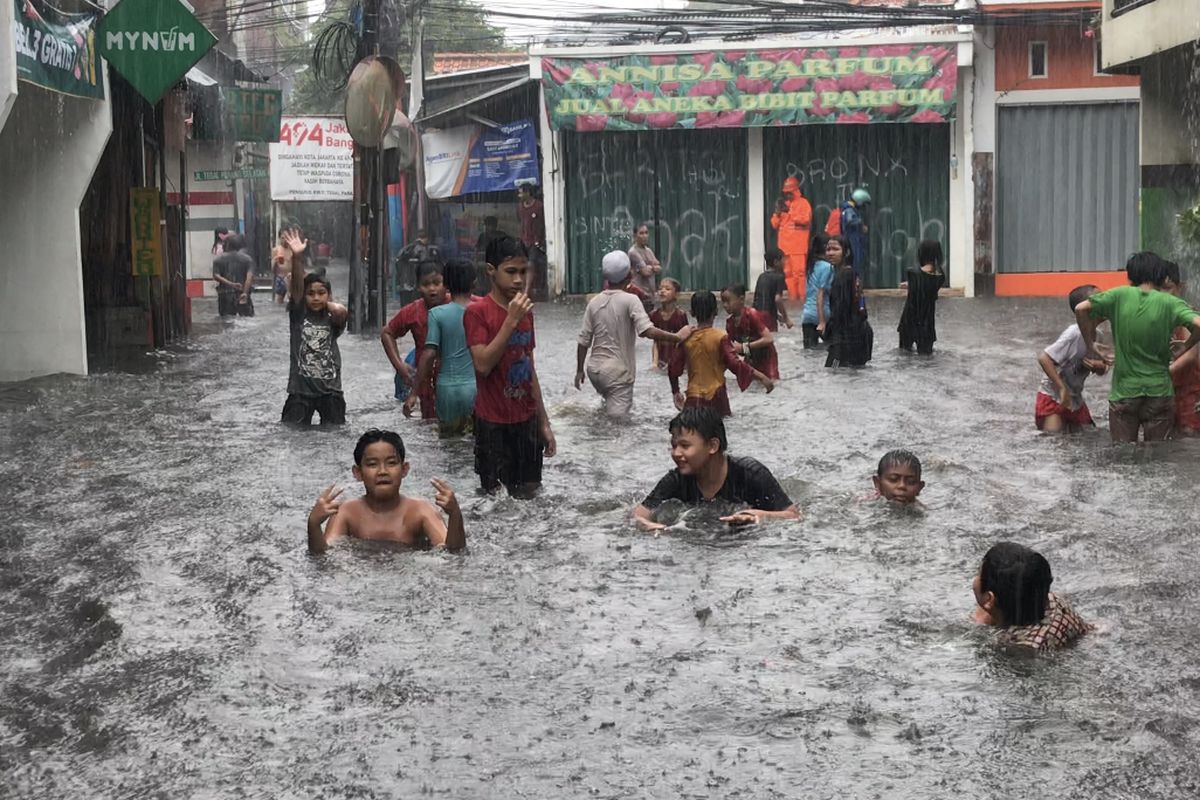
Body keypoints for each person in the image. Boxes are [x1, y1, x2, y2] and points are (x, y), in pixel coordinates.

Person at [464, 234, 556, 498]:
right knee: (495, 500)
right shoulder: (477, 312)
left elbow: (530, 369)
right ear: (491, 271)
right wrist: (510, 321)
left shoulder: (526, 311)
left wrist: (545, 424)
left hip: (526, 421)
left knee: (531, 496)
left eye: (523, 271)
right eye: (511, 272)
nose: (518, 280)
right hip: (492, 425)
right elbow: (482, 365)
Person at [1075, 252, 1200, 442]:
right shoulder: (1170, 302)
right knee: (1158, 457)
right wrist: (1185, 346)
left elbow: (1080, 309)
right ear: (1159, 274)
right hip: (1159, 393)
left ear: (1131, 275)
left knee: (1123, 455)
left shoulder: (1118, 295)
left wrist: (1090, 344)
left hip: (1124, 392)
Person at [633, 407, 800, 530]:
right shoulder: (676, 480)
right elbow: (638, 515)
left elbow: (794, 516)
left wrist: (760, 516)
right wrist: (650, 527)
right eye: (673, 446)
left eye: (684, 445)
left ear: (712, 445)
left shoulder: (751, 474)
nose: (676, 453)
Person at [307, 429, 465, 553]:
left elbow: (452, 554)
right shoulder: (346, 513)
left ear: (404, 469)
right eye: (372, 464)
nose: (382, 471)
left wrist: (455, 514)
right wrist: (313, 525)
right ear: (358, 473)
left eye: (391, 463)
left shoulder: (420, 512)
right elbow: (326, 559)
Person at [574, 252, 692, 416]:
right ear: (629, 275)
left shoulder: (594, 302)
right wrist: (677, 337)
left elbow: (583, 341)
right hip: (617, 375)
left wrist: (579, 370)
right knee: (619, 426)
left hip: (594, 371)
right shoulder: (630, 300)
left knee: (603, 414)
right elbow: (647, 331)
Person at [668, 290, 774, 418]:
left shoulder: (686, 338)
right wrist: (762, 377)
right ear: (716, 312)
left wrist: (676, 391)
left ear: (692, 312)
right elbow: (735, 363)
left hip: (692, 398)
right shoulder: (721, 336)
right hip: (716, 398)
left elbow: (673, 368)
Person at [971, 542, 1092, 653]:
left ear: (989, 599)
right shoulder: (1053, 600)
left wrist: (977, 623)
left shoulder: (1016, 646)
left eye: (978, 572)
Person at [280, 231, 348, 426]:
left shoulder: (332, 319)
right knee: (292, 432)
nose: (316, 298)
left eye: (321, 293)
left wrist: (332, 304)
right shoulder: (298, 317)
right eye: (311, 294)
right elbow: (297, 290)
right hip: (300, 392)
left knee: (335, 434)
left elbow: (342, 313)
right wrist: (298, 257)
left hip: (331, 391)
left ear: (329, 294)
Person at [403, 260, 477, 436]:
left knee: (449, 446)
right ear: (474, 283)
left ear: (447, 285)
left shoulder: (437, 314)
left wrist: (414, 392)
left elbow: (428, 355)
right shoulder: (481, 311)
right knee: (475, 444)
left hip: (446, 389)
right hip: (475, 387)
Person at [1036, 285, 1108, 434]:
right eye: (1099, 299)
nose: (1106, 302)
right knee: (1054, 440)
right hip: (1053, 396)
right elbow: (1044, 358)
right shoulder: (1074, 334)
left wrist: (1099, 367)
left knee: (1090, 436)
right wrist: (1062, 388)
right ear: (1084, 309)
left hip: (1075, 399)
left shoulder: (1098, 336)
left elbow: (1103, 368)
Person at [382, 262, 448, 420]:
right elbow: (387, 333)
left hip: (453, 379)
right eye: (426, 284)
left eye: (437, 283)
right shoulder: (413, 311)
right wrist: (400, 366)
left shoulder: (458, 305)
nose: (432, 289)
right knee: (430, 425)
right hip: (425, 382)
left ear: (446, 284)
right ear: (418, 287)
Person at [824, 236, 873, 368]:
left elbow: (840, 310)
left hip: (847, 339)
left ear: (846, 252)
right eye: (828, 249)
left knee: (833, 372)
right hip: (860, 334)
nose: (830, 253)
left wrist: (828, 331)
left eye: (835, 249)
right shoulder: (852, 273)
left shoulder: (843, 276)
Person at [1165, 262, 1200, 435]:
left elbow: (1191, 356)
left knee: (1189, 435)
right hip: (1166, 390)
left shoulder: (1186, 314)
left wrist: (1160, 375)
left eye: (1168, 288)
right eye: (1158, 289)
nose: (1163, 294)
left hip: (1190, 391)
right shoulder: (1157, 315)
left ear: (1180, 287)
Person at [721, 283, 779, 380]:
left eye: (728, 301)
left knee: (770, 382)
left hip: (767, 358)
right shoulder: (730, 323)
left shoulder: (752, 315)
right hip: (750, 357)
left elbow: (769, 339)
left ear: (741, 299)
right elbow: (731, 351)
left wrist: (744, 347)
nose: (725, 305)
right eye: (723, 302)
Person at [897, 239, 946, 354]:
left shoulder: (912, 274)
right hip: (927, 324)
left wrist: (910, 284)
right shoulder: (940, 277)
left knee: (904, 355)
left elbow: (921, 281)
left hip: (908, 321)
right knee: (927, 359)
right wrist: (911, 285)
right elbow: (927, 283)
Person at [770, 177, 812, 301]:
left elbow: (805, 220)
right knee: (787, 273)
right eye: (786, 192)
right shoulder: (783, 205)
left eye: (789, 191)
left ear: (795, 190)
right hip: (784, 247)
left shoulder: (803, 203)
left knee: (799, 273)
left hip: (798, 246)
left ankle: (802, 297)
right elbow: (774, 224)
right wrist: (778, 213)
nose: (787, 194)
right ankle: (793, 298)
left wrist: (790, 213)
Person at [801, 233, 833, 349]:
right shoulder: (827, 267)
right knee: (833, 351)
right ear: (825, 247)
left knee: (809, 354)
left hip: (807, 315)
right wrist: (822, 321)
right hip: (823, 315)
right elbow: (821, 295)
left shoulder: (810, 266)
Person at [212, 233, 255, 319]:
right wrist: (245, 293)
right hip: (242, 295)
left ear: (227, 245)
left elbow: (216, 276)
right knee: (247, 322)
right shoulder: (248, 259)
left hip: (225, 296)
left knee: (226, 322)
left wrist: (231, 284)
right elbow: (249, 278)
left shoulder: (218, 260)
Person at [516, 184, 547, 300]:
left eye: (521, 193)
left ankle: (527, 290)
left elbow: (543, 224)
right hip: (524, 241)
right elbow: (520, 222)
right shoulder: (520, 207)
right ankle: (525, 289)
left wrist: (539, 240)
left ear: (528, 193)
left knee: (531, 264)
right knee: (523, 265)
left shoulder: (539, 206)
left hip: (535, 241)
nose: (519, 195)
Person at [650, 278, 688, 370]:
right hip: (661, 360)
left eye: (667, 289)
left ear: (676, 294)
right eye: (660, 288)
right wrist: (654, 363)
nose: (662, 291)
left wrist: (684, 364)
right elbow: (656, 341)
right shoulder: (654, 315)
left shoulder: (680, 315)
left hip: (677, 359)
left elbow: (683, 342)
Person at [753, 248, 793, 332]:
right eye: (783, 260)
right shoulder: (779, 277)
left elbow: (759, 301)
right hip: (768, 317)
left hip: (756, 315)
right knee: (770, 340)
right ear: (776, 262)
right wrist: (786, 319)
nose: (785, 263)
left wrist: (777, 316)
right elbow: (778, 300)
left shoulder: (761, 276)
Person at [839, 188, 871, 277]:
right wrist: (860, 223)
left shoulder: (849, 210)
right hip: (853, 242)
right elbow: (850, 221)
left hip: (854, 241)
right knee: (855, 264)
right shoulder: (849, 210)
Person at [628, 222, 662, 307]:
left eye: (646, 233)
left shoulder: (648, 250)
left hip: (650, 294)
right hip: (639, 294)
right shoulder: (633, 252)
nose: (644, 236)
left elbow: (658, 267)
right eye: (641, 233)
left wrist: (650, 267)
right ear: (635, 236)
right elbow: (645, 272)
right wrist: (652, 267)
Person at [271, 229, 292, 305]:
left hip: (291, 278)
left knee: (293, 300)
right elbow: (273, 269)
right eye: (283, 238)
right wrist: (275, 261)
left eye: (287, 237)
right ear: (279, 238)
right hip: (280, 277)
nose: (285, 240)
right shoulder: (276, 250)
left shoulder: (293, 250)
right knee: (279, 303)